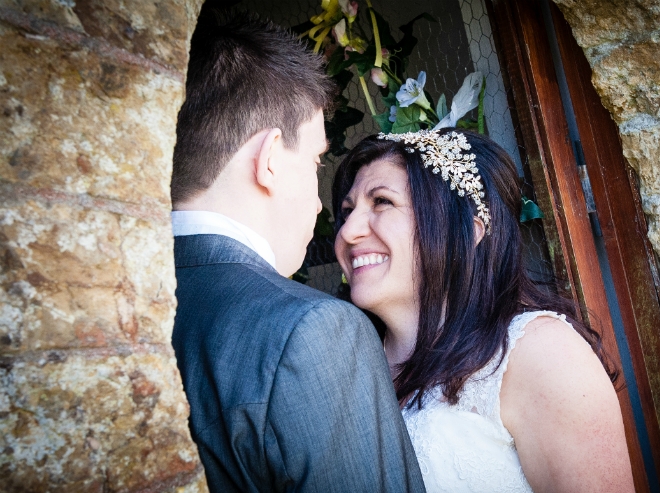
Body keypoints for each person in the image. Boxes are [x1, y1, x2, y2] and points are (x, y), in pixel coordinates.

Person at [169, 11, 424, 492]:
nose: (325, 209)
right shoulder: (312, 330)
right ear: (268, 159)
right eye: (315, 160)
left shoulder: (131, 299)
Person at [333, 129, 635, 492]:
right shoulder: (346, 367)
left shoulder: (539, 353)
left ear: (466, 232)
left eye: (382, 201)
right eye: (347, 211)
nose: (348, 231)